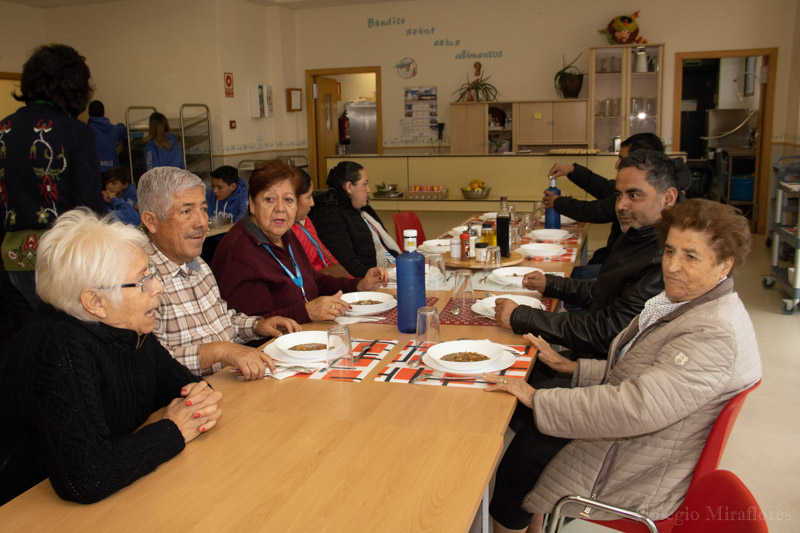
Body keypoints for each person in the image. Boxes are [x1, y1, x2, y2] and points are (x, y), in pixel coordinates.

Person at [483, 199, 762, 533]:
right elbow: (646, 376)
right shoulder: (694, 303)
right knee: (533, 411)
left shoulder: (713, 333)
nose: (672, 266)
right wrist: (574, 368)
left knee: (521, 456)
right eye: (670, 251)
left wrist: (537, 399)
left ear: (725, 265)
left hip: (642, 466)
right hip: (652, 439)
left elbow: (637, 407)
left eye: (691, 256)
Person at [0, 208, 223, 506]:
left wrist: (199, 398)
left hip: (124, 492)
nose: (158, 287)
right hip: (27, 508)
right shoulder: (56, 349)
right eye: (143, 280)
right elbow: (87, 476)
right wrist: (175, 429)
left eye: (152, 272)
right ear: (95, 301)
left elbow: (183, 385)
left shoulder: (126, 326)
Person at [495, 150, 678, 364]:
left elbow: (606, 333)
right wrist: (551, 284)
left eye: (634, 195)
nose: (620, 205)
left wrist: (521, 317)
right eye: (619, 195)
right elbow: (604, 293)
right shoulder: (637, 236)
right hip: (596, 360)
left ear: (668, 198)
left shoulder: (663, 259)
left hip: (604, 374)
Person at [137, 166, 300, 380]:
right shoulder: (138, 278)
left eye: (203, 209)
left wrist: (258, 325)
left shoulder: (197, 264)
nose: (202, 222)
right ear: (151, 221)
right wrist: (220, 351)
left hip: (227, 384)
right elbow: (149, 362)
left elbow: (221, 323)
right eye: (186, 211)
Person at [211, 159, 387, 324]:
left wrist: (358, 284)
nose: (280, 209)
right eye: (269, 199)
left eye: (288, 200)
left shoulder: (285, 236)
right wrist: (306, 311)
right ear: (252, 203)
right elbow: (253, 326)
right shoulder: (239, 251)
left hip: (303, 334)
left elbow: (314, 281)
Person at [0, 44, 107, 310]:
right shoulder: (75, 131)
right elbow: (90, 207)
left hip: (15, 259)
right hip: (65, 261)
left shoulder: (4, 129)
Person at [545, 133, 665, 282]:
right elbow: (605, 188)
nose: (616, 165)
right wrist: (573, 171)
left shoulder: (652, 193)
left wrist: (558, 203)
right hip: (622, 259)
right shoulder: (654, 183)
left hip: (629, 270)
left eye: (621, 159)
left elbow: (598, 211)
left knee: (569, 277)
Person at [309, 161, 400, 278]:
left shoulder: (362, 209)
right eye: (365, 184)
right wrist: (375, 277)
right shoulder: (329, 216)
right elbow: (347, 266)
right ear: (349, 187)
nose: (368, 190)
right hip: (369, 280)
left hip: (389, 269)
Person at [290, 167, 350, 277]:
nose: (312, 203)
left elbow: (326, 256)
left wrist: (353, 283)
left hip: (327, 282)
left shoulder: (305, 220)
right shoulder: (285, 232)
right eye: (308, 197)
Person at [87, 99, 127, 173]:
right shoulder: (114, 130)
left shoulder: (87, 131)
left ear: (89, 114)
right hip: (112, 173)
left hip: (95, 172)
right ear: (104, 113)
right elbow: (124, 130)